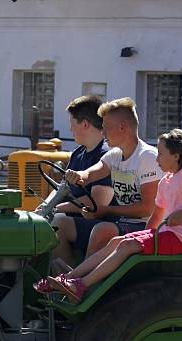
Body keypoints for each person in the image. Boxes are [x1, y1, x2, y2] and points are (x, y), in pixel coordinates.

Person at [40, 128, 182, 303]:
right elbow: (156, 216)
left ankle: (81, 285)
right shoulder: (166, 182)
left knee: (127, 245)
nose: (157, 159)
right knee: (117, 241)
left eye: (161, 154)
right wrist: (146, 237)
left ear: (176, 156)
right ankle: (68, 278)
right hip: (173, 235)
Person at [70, 98, 163, 257]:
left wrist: (106, 210)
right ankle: (70, 275)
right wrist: (79, 176)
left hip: (149, 227)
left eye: (106, 128)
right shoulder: (114, 155)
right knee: (63, 225)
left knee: (102, 229)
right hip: (125, 223)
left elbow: (148, 208)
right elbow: (93, 172)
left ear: (122, 127)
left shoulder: (147, 157)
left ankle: (81, 280)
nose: (103, 133)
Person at [36, 95, 114, 266]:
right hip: (78, 221)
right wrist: (45, 207)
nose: (70, 130)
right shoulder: (78, 154)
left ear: (85, 124)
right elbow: (62, 188)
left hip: (101, 225)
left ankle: (70, 283)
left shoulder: (107, 156)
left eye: (72, 125)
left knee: (58, 224)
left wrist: (55, 209)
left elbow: (97, 203)